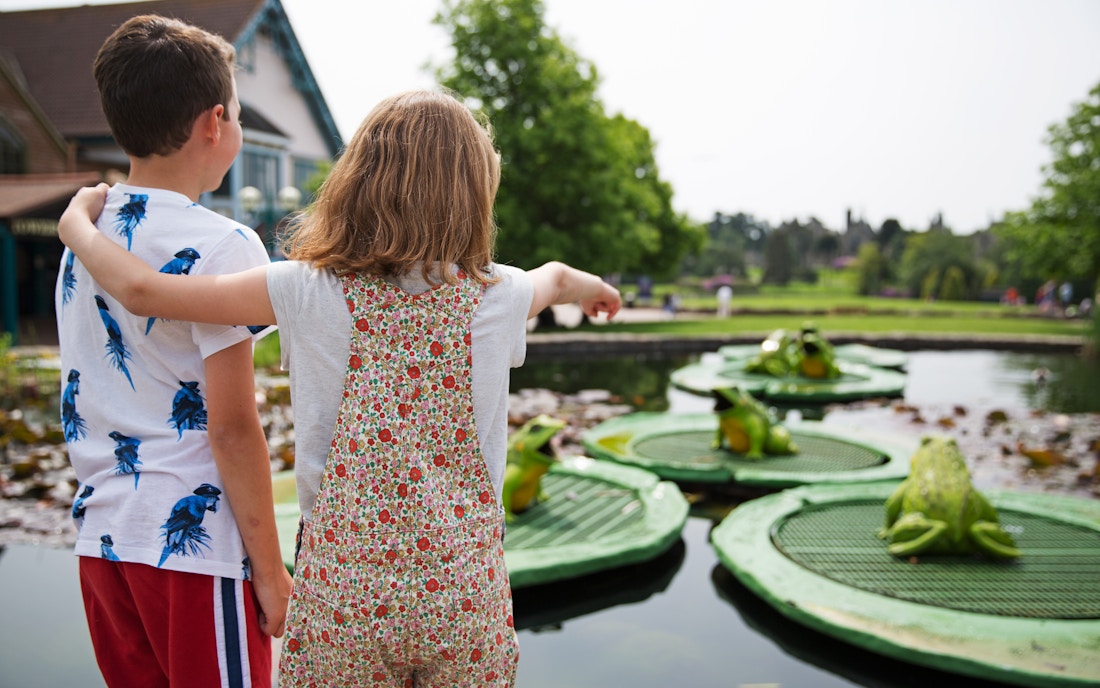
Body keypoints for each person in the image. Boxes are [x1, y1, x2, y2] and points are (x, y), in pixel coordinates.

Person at [59, 89, 623, 687]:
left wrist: (77, 229)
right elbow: (556, 277)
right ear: (475, 191)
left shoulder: (303, 289)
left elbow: (146, 294)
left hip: (343, 597)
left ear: (358, 179)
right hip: (464, 595)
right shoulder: (499, 294)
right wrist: (593, 289)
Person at [53, 15, 291, 688]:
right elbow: (232, 427)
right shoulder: (225, 245)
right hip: (195, 554)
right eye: (239, 117)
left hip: (102, 543)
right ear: (215, 123)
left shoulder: (84, 241)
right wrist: (270, 575)